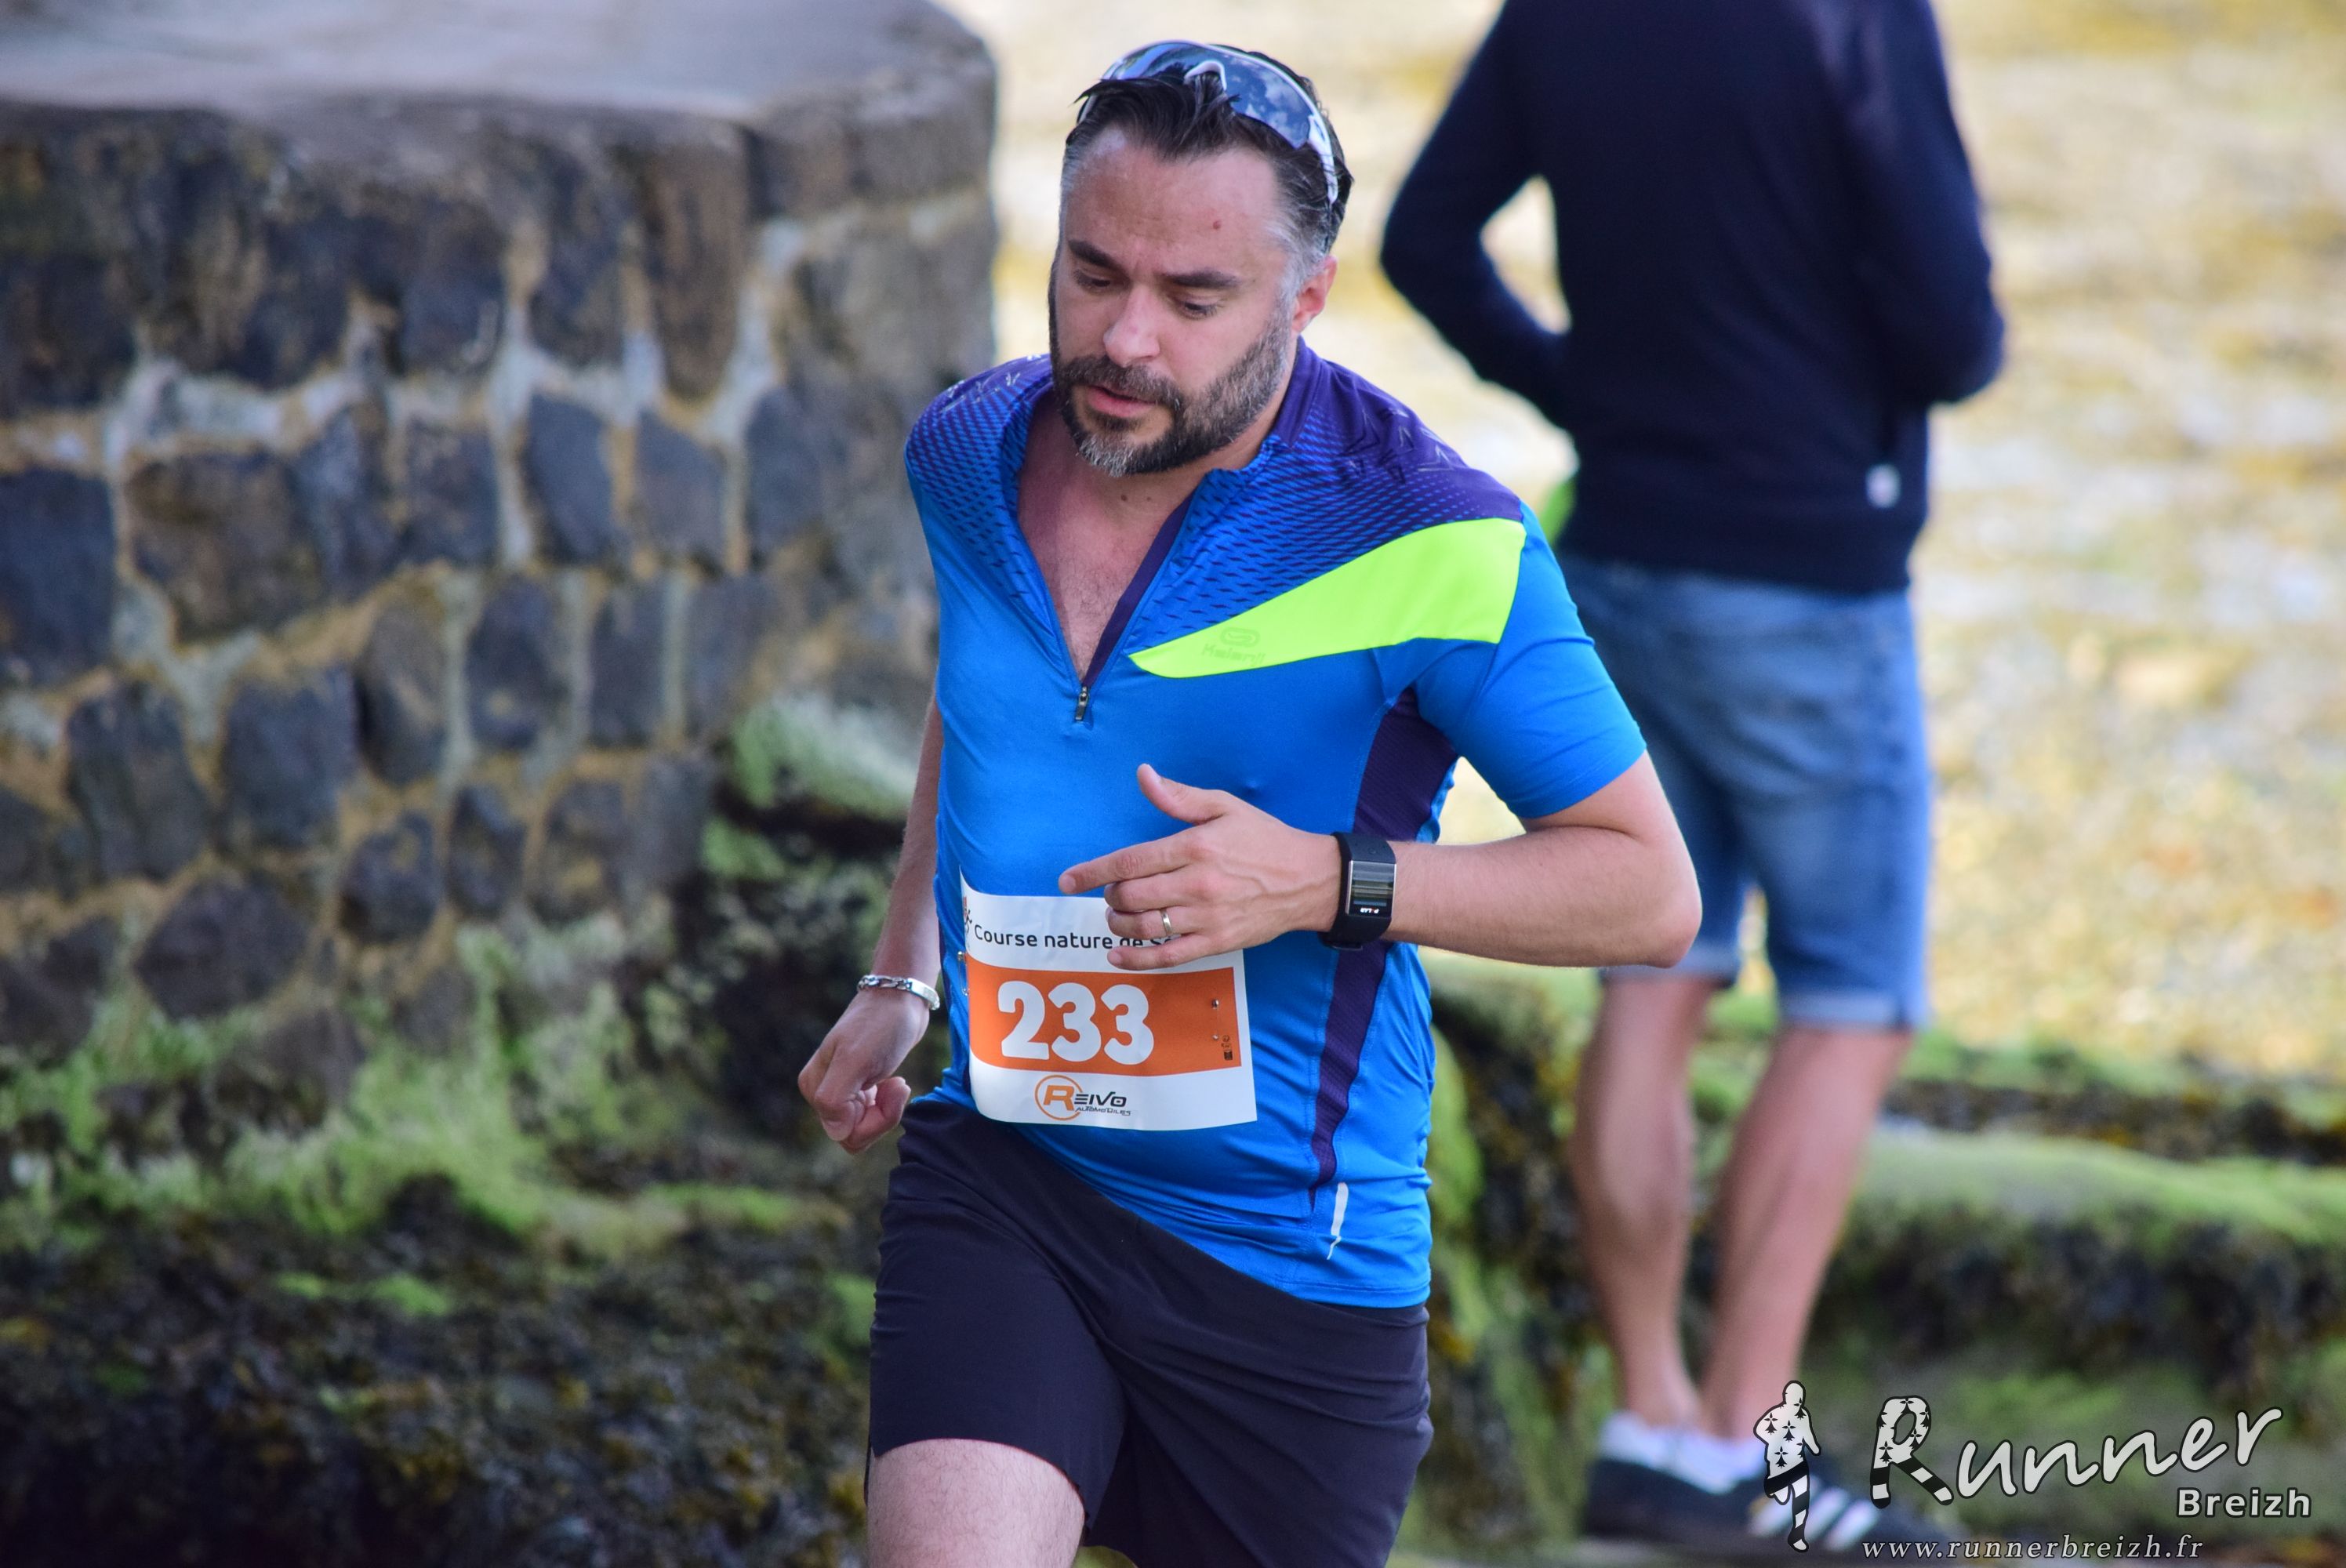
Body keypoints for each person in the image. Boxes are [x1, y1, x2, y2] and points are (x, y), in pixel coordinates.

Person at [796, 40, 1701, 1568]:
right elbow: (984, 698)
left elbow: (1648, 890)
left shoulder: (1431, 538)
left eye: (1193, 296)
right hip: (1013, 1178)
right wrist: (905, 974)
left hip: (1291, 1264)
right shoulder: (966, 452)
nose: (1123, 337)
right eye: (1091, 272)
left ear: (1306, 296)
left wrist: (1326, 883)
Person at [1382, 0, 2004, 1557]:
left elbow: (1423, 237)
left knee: (1654, 965)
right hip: (1802, 575)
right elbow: (1953, 333)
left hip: (1622, 548)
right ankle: (1741, 1453)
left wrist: (1578, 388)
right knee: (1851, 998)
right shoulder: (1853, 19)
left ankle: (1650, 1419)